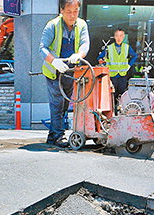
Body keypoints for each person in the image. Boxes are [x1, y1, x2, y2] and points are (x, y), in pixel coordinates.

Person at [39, 0, 89, 148]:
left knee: (65, 103)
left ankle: (52, 136)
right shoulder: (52, 25)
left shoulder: (82, 25)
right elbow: (42, 48)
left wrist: (79, 55)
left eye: (75, 11)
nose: (72, 15)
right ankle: (59, 135)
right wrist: (54, 61)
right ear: (61, 10)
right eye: (69, 11)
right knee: (57, 104)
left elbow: (85, 44)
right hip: (54, 71)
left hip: (70, 71)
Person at [97, 28, 136, 101]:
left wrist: (129, 65)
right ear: (114, 37)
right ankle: (113, 111)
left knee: (122, 95)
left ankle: (120, 111)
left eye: (121, 36)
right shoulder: (109, 48)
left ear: (124, 36)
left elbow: (134, 56)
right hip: (112, 76)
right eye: (117, 36)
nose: (119, 38)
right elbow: (99, 58)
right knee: (112, 96)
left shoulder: (127, 47)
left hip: (122, 75)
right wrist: (101, 61)